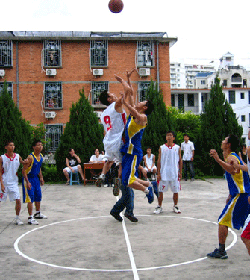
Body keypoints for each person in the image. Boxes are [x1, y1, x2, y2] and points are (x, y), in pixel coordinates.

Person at [110, 74, 155, 223]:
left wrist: (124, 102)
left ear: (145, 107)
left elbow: (131, 105)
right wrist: (125, 80)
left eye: (142, 101)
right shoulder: (135, 113)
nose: (139, 102)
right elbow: (131, 94)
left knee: (129, 182)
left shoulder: (143, 118)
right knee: (126, 180)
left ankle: (148, 190)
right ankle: (148, 184)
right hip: (127, 152)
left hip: (134, 152)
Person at [207, 134, 250, 259]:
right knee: (246, 224)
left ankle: (221, 251)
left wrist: (218, 159)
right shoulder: (234, 156)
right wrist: (230, 193)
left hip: (241, 195)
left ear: (228, 144)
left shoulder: (231, 157)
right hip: (241, 194)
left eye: (224, 140)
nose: (222, 141)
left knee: (222, 221)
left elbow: (234, 170)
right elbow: (238, 175)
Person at [154, 131, 182, 215]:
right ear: (166, 137)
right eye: (167, 135)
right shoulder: (162, 147)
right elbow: (158, 160)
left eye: (171, 135)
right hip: (164, 173)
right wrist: (158, 173)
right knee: (160, 190)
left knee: (175, 190)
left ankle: (175, 206)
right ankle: (159, 206)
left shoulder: (177, 147)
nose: (169, 137)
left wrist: (180, 171)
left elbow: (180, 160)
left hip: (174, 173)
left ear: (173, 138)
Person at [0, 141, 27, 225]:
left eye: (13, 145)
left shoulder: (18, 156)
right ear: (6, 147)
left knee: (18, 200)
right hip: (4, 181)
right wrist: (1, 183)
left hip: (13, 182)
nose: (12, 147)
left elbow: (23, 163)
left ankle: (17, 218)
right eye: (10, 145)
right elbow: (0, 172)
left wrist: (26, 162)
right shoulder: (2, 158)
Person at [22, 140, 46, 225]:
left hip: (35, 179)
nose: (40, 146)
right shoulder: (30, 157)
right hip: (29, 178)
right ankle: (30, 217)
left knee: (38, 196)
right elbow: (23, 171)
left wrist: (41, 177)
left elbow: (39, 168)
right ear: (34, 147)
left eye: (41, 145)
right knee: (30, 198)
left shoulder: (41, 156)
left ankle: (38, 213)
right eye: (38, 145)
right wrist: (27, 182)